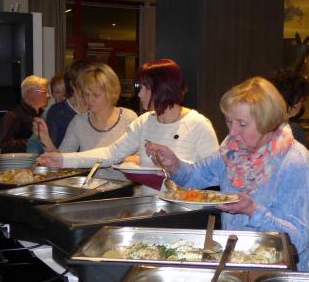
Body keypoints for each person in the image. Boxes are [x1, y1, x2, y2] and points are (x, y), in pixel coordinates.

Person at [146, 77, 309, 270]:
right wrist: (174, 164)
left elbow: (298, 240)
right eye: (229, 121)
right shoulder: (232, 150)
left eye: (242, 124)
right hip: (238, 261)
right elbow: (195, 176)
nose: (232, 132)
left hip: (281, 272)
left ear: (267, 123)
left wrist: (252, 211)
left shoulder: (294, 161)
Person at [38, 58, 218, 192]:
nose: (139, 94)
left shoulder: (198, 124)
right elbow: (111, 153)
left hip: (185, 212)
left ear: (163, 88)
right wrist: (62, 159)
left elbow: (214, 177)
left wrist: (175, 165)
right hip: (147, 208)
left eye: (145, 88)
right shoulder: (144, 121)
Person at [57, 63, 137, 179]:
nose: (90, 100)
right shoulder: (78, 122)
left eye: (96, 95)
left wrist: (124, 159)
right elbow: (63, 157)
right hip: (91, 187)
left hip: (126, 186)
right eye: (86, 94)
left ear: (111, 93)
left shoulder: (129, 118)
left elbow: (143, 158)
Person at [27, 60, 92, 154]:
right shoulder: (55, 112)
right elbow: (36, 146)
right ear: (73, 85)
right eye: (57, 92)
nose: (62, 96)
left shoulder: (96, 108)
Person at [0, 75, 49, 153]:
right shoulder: (14, 115)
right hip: (23, 160)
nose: (48, 95)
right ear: (30, 93)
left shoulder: (45, 115)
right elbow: (5, 146)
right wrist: (34, 142)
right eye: (44, 91)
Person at [268, 68, 309, 147]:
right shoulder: (294, 130)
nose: (302, 104)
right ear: (296, 99)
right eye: (302, 100)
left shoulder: (258, 126)